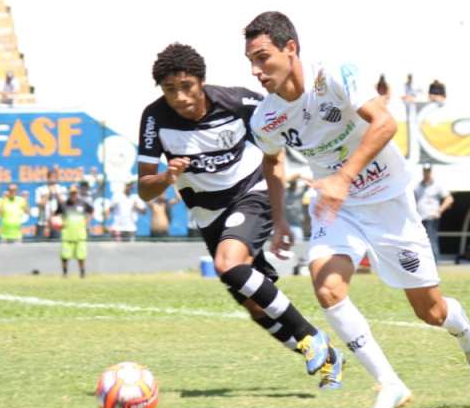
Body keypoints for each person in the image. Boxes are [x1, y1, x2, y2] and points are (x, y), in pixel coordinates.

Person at [244, 11, 470, 408]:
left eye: (262, 58)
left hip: (387, 200)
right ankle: (390, 384)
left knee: (431, 311)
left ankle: (469, 334)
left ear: (291, 48)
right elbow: (272, 161)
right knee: (327, 288)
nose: (256, 71)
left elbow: (384, 123)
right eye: (251, 62)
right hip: (336, 206)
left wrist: (343, 178)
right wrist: (280, 219)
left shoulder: (335, 76)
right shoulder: (265, 117)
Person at [137, 43, 343, 387]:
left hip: (251, 193)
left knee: (228, 263)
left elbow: (282, 131)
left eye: (187, 86)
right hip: (207, 214)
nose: (180, 97)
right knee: (254, 305)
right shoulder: (154, 118)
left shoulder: (239, 102)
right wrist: (166, 177)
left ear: (202, 82)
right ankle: (329, 358)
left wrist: (298, 191)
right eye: (170, 90)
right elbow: (144, 189)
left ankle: (311, 336)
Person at [414, 164, 452, 261]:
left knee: (432, 240)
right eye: (425, 171)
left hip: (431, 217)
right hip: (420, 218)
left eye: (428, 171)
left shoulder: (437, 185)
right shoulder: (417, 186)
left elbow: (449, 199)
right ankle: (423, 262)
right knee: (420, 241)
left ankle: (435, 263)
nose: (426, 173)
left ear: (431, 172)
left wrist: (440, 210)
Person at [56, 185, 93, 277]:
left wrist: (87, 221)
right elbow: (56, 215)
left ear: (77, 193)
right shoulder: (63, 204)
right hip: (67, 234)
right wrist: (59, 223)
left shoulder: (83, 203)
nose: (73, 195)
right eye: (72, 193)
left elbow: (91, 211)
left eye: (75, 193)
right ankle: (65, 273)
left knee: (81, 255)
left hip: (80, 234)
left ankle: (82, 272)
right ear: (69, 194)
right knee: (65, 256)